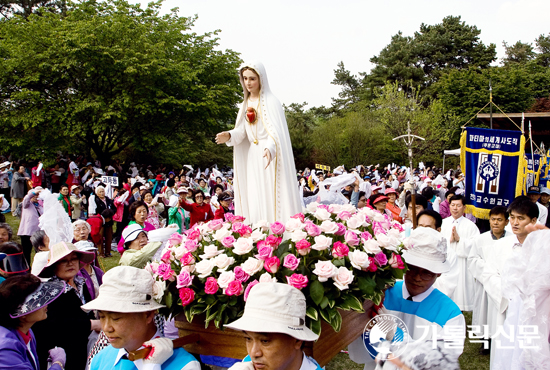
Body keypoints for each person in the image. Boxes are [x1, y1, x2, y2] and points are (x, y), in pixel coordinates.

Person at [348, 227, 465, 370]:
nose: (417, 278)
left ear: (438, 273)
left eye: (426, 273)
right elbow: (362, 351)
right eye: (412, 268)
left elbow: (437, 364)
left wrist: (396, 335)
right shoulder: (383, 294)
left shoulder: (450, 314)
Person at [215, 61, 300, 224]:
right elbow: (242, 132)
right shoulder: (245, 104)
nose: (248, 83)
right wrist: (229, 135)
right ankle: (257, 231)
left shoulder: (271, 102)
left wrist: (270, 147)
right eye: (245, 78)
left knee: (270, 193)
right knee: (254, 196)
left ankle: (274, 230)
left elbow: (276, 133)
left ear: (261, 79)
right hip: (252, 157)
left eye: (252, 78)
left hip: (267, 156)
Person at [83, 266, 201, 370]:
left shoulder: (185, 365)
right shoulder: (100, 360)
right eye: (102, 317)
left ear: (148, 315)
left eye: (116, 318)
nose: (106, 328)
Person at [481, 196, 538, 367]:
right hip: (505, 306)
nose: (515, 222)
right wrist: (508, 294)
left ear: (533, 221)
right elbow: (489, 274)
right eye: (512, 217)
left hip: (535, 309)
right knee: (505, 351)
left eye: (521, 218)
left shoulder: (543, 246)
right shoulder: (500, 246)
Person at [34, 242, 101, 370]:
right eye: (64, 261)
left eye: (74, 259)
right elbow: (54, 325)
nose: (70, 264)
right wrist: (92, 324)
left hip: (83, 348)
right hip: (62, 354)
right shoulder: (50, 292)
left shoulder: (81, 283)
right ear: (54, 266)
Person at [225, 283, 321, 370]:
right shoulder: (248, 364)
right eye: (248, 339)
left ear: (297, 339)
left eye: (265, 341)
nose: (253, 353)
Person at [467, 205, 510, 355]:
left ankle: (501, 340)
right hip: (485, 283)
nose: (496, 223)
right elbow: (472, 260)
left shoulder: (512, 239)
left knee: (500, 314)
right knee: (484, 313)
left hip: (502, 283)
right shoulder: (480, 239)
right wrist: (488, 270)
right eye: (493, 219)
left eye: (500, 220)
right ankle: (485, 343)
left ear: (506, 221)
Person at [0, 274, 66, 369]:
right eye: (38, 301)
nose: (46, 303)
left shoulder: (27, 332)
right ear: (22, 314)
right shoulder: (6, 349)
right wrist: (58, 363)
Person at [440, 194, 480, 311]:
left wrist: (460, 240)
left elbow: (475, 246)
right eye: (452, 205)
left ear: (464, 208)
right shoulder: (443, 223)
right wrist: (449, 240)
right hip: (446, 263)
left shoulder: (471, 226)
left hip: (462, 264)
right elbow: (437, 241)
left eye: (458, 205)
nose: (455, 208)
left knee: (461, 291)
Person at [18, 188, 44, 266]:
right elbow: (26, 198)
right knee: (26, 251)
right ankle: (26, 267)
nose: (36, 197)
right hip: (27, 232)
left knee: (39, 251)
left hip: (38, 233)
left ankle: (38, 267)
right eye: (35, 195)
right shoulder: (27, 204)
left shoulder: (40, 206)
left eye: (38, 196)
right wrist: (33, 192)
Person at [94, 186, 116, 257]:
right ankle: (101, 253)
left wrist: (110, 213)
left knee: (109, 237)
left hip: (109, 220)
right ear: (97, 193)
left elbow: (114, 208)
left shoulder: (108, 200)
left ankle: (108, 252)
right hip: (100, 221)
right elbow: (95, 211)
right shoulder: (96, 200)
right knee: (100, 237)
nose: (102, 193)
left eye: (103, 191)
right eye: (100, 192)